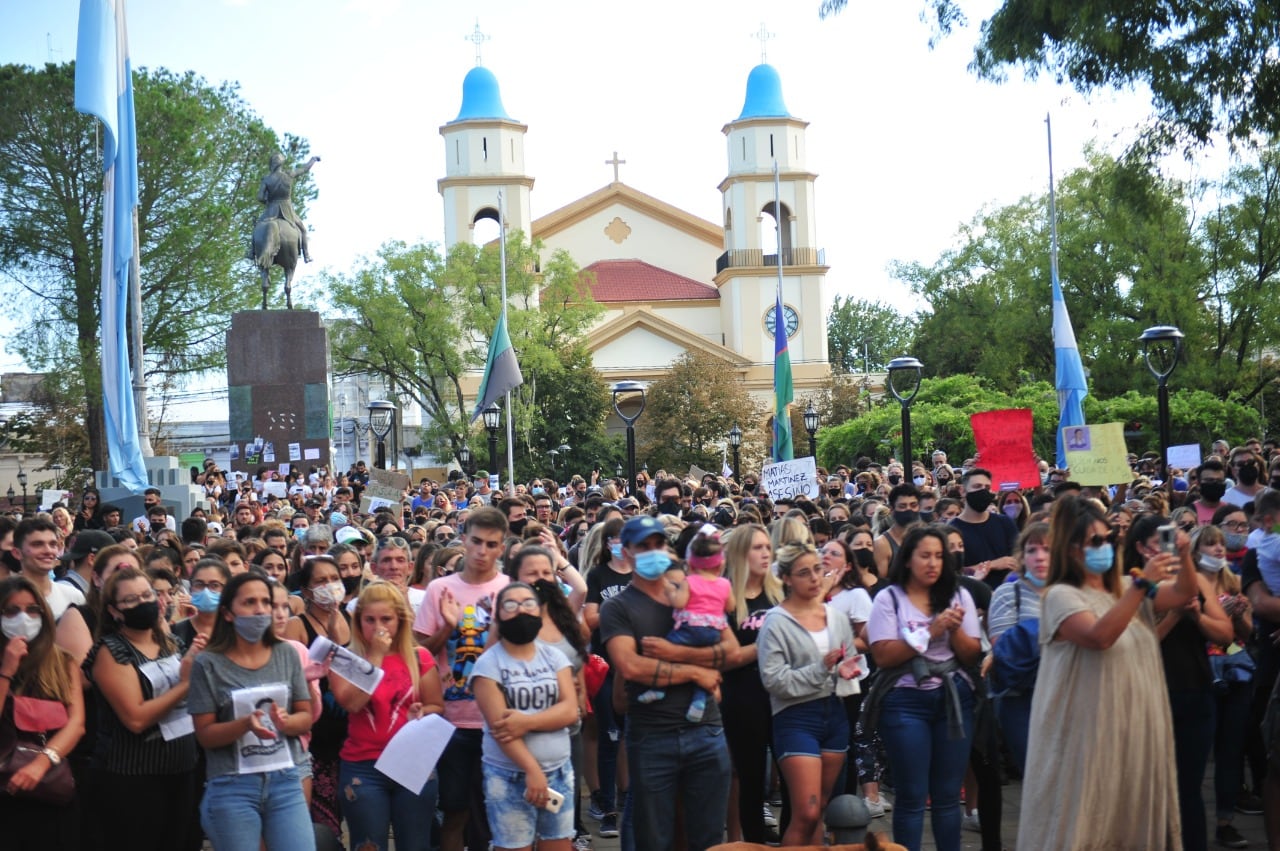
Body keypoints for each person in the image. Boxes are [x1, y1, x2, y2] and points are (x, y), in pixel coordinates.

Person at [1017, 495, 1198, 849]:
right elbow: (1099, 637)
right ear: (1070, 550)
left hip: (1130, 729)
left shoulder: (1127, 589)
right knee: (1085, 823)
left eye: (1109, 539)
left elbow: (1184, 594)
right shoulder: (1060, 595)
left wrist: (1185, 555)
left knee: (1125, 820)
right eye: (1094, 542)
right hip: (1084, 736)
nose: (1106, 547)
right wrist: (1142, 585)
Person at [599, 515, 732, 851]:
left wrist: (674, 653)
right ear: (625, 552)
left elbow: (730, 649)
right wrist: (694, 672)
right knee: (654, 839)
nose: (653, 552)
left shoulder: (691, 590)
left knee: (708, 838)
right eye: (644, 546)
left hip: (706, 732)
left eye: (659, 544)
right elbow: (630, 666)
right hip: (652, 736)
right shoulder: (617, 607)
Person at [864, 525, 981, 851]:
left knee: (946, 795)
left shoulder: (959, 595)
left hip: (953, 696)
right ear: (908, 559)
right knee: (912, 794)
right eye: (924, 556)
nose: (933, 563)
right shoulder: (889, 598)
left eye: (939, 556)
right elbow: (884, 655)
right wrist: (932, 629)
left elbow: (972, 652)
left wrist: (953, 631)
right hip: (904, 700)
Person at [187, 572, 316, 851]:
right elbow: (205, 735)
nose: (260, 609)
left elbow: (305, 715)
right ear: (228, 613)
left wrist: (287, 722)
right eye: (249, 602)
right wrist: (244, 724)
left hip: (285, 781)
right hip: (232, 787)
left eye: (265, 602)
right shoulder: (208, 663)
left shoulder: (287, 653)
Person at [1129, 514, 1232, 851]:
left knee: (1188, 789)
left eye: (1172, 540)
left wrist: (1197, 616)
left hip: (1194, 693)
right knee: (1151, 789)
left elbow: (1226, 633)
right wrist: (1174, 615)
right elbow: (1139, 645)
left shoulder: (1196, 582)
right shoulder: (1131, 587)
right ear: (1142, 549)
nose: (1168, 549)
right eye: (1161, 543)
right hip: (1150, 696)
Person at [84, 567, 204, 851]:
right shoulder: (111, 650)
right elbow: (135, 718)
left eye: (147, 595)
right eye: (131, 600)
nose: (143, 603)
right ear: (114, 611)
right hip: (132, 777)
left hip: (181, 768)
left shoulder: (171, 642)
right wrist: (186, 684)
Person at [413, 507, 511, 851]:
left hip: (498, 721)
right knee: (454, 813)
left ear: (502, 547)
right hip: (450, 721)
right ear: (464, 540)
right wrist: (448, 627)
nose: (482, 551)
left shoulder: (510, 590)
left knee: (496, 814)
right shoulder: (440, 589)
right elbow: (419, 654)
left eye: (491, 544)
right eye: (476, 542)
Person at [757, 541, 859, 846]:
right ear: (787, 578)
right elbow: (774, 681)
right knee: (807, 811)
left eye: (817, 569)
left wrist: (848, 669)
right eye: (804, 573)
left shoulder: (836, 617)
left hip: (835, 713)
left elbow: (850, 658)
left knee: (821, 809)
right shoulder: (775, 622)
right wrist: (822, 669)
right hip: (795, 717)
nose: (815, 577)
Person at [330, 582, 445, 851]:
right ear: (358, 622)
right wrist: (377, 657)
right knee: (368, 845)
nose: (378, 626)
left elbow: (437, 706)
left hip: (412, 762)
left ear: (400, 620)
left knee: (416, 845)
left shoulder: (420, 657)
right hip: (363, 766)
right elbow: (353, 704)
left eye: (386, 619)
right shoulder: (345, 659)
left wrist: (422, 711)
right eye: (369, 620)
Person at [471, 582, 579, 851]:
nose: (520, 611)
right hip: (508, 777)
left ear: (540, 612)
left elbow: (570, 710)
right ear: (498, 616)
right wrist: (532, 770)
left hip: (559, 772)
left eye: (528, 603)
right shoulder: (488, 664)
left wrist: (526, 722)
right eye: (511, 605)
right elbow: (502, 729)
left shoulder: (555, 657)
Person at [0, 576, 86, 851]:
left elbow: (77, 723)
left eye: (32, 610)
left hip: (51, 786)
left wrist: (42, 762)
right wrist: (7, 670)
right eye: (12, 611)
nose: (23, 618)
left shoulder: (62, 661)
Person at [718, 523, 784, 842]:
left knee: (790, 780)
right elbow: (727, 658)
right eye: (757, 548)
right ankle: (755, 843)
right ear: (741, 553)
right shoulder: (726, 596)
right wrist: (766, 644)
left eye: (767, 548)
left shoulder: (780, 592)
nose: (765, 554)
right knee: (751, 780)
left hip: (783, 695)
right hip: (742, 697)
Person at [1192, 524, 1255, 849]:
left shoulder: (1233, 580)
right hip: (1202, 671)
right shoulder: (1189, 586)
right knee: (1201, 752)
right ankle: (1191, 822)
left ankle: (1226, 820)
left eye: (1220, 545)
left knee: (1231, 749)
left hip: (1235, 671)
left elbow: (1245, 634)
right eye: (1209, 544)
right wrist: (1212, 614)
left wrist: (1239, 615)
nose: (1217, 550)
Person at [635, 526, 732, 722]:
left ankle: (659, 688)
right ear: (720, 565)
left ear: (690, 565)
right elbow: (730, 606)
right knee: (701, 663)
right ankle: (699, 702)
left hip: (689, 629)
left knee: (665, 650)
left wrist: (671, 591)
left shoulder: (690, 581)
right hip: (713, 631)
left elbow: (679, 602)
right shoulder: (724, 584)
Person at [985, 521, 1050, 772]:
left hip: (1067, 693)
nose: (1040, 557)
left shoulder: (1075, 591)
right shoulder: (1008, 593)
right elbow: (1003, 648)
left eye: (1048, 549)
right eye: (1032, 550)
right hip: (1022, 698)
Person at [949, 469, 1019, 588]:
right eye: (977, 486)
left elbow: (1018, 559)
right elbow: (954, 571)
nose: (983, 491)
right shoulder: (952, 530)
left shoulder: (1005, 522)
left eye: (987, 487)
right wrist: (992, 564)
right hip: (974, 595)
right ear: (962, 491)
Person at [256, 152, 319, 262]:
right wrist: (312, 160)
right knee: (303, 230)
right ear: (281, 164)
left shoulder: (266, 179)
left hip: (271, 210)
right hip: (287, 210)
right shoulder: (289, 174)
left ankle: (251, 251)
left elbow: (260, 197)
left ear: (271, 164)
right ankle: (306, 255)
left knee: (258, 227)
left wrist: (267, 200)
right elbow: (305, 169)